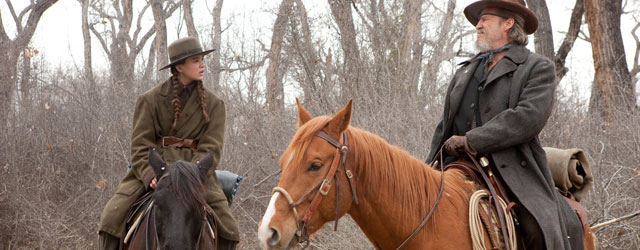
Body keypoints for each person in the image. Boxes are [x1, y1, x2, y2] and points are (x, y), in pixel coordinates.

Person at [426, 0, 583, 249]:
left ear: (508, 23)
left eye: (485, 19)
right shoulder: (465, 71)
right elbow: (444, 125)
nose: (478, 25)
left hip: (511, 170)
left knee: (539, 229)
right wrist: (428, 165)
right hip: (455, 165)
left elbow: (527, 118)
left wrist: (471, 141)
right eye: (478, 20)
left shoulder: (537, 68)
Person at [98, 37, 240, 249]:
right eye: (195, 60)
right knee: (111, 218)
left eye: (202, 59)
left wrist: (192, 175)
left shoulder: (215, 104)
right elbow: (140, 146)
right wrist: (149, 174)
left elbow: (212, 148)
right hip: (156, 168)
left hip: (197, 174)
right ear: (179, 66)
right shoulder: (150, 99)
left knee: (229, 230)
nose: (202, 65)